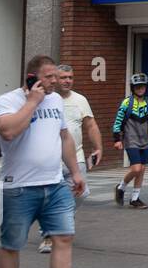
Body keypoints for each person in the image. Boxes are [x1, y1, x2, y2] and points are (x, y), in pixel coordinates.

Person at [0, 54, 87, 268]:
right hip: (20, 187)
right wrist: (33, 102)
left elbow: (64, 136)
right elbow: (8, 131)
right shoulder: (8, 101)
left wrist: (76, 172)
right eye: (50, 77)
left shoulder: (56, 100)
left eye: (57, 76)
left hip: (55, 184)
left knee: (64, 237)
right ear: (32, 78)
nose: (56, 82)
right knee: (12, 244)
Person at [38, 65, 103, 254]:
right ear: (55, 79)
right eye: (64, 77)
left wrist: (98, 147)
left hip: (77, 157)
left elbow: (90, 125)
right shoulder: (45, 100)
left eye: (71, 77)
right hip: (50, 160)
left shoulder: (80, 100)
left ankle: (60, 221)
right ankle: (49, 237)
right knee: (51, 199)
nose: (67, 81)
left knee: (81, 194)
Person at [113, 73, 148, 210]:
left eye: (142, 86)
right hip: (131, 140)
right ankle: (121, 187)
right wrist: (117, 139)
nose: (140, 89)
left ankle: (135, 199)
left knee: (142, 169)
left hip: (145, 141)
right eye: (137, 87)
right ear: (133, 88)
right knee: (136, 168)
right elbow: (118, 121)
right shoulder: (127, 103)